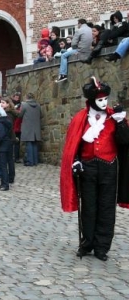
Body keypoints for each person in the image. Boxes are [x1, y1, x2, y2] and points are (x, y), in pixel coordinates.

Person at [60, 76, 128, 261]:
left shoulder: (114, 117)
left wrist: (122, 122)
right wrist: (75, 161)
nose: (104, 103)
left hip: (109, 167)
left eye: (105, 99)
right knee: (89, 207)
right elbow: (73, 144)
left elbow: (125, 141)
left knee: (106, 208)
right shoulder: (80, 119)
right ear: (91, 101)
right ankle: (87, 242)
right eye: (100, 100)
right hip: (88, 168)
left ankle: (102, 247)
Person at [0, 106, 13, 191]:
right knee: (4, 165)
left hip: (2, 147)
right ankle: (5, 183)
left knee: (3, 166)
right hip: (7, 145)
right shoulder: (6, 122)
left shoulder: (0, 123)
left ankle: (4, 184)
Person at [19, 93, 42, 166]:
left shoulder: (24, 105)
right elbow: (41, 115)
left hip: (27, 127)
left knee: (29, 145)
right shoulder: (38, 105)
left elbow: (20, 115)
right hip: (36, 128)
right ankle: (35, 161)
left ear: (26, 97)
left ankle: (30, 161)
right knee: (34, 144)